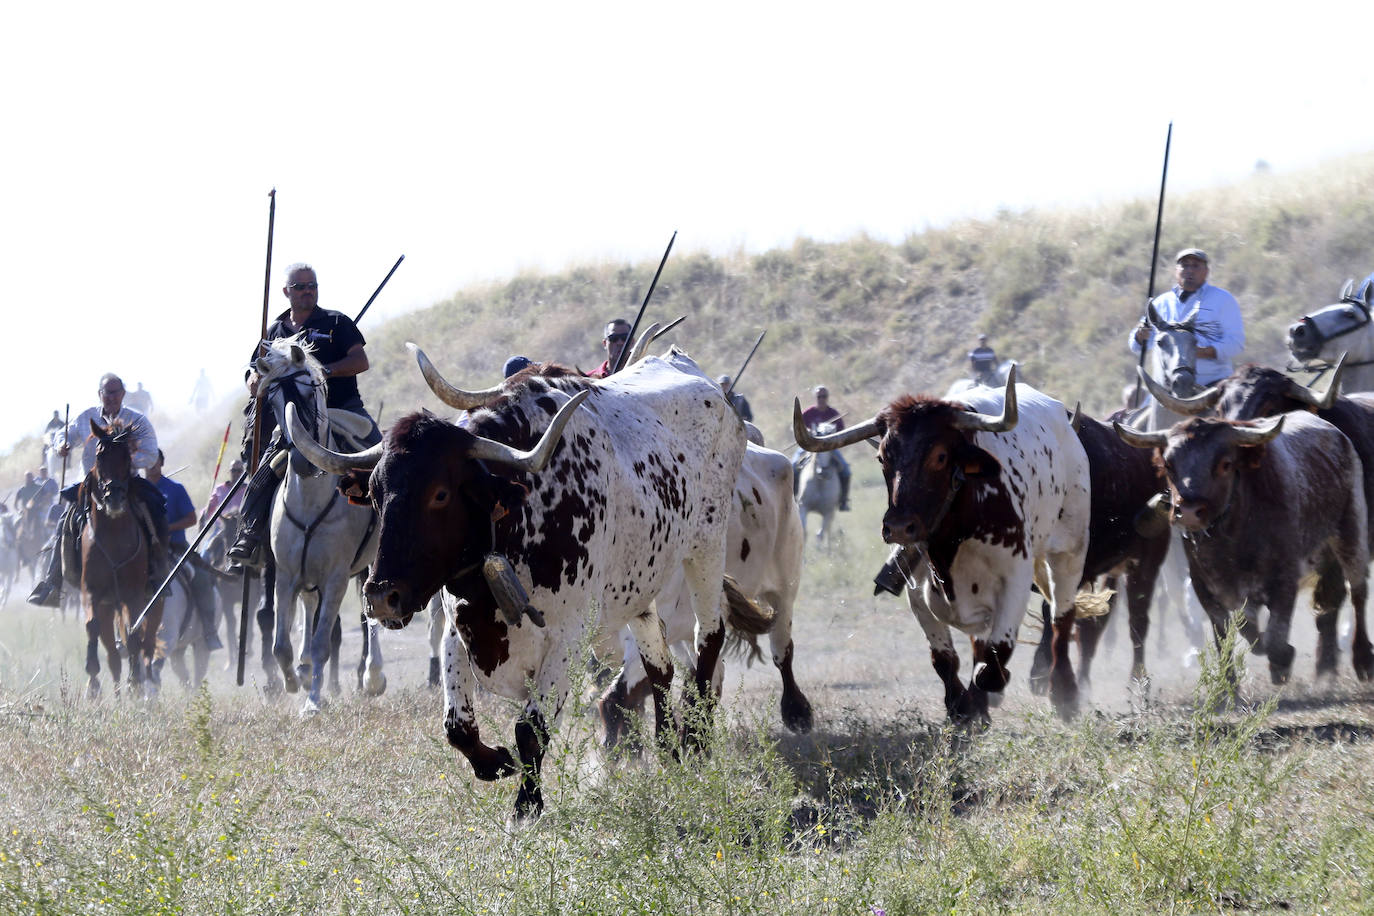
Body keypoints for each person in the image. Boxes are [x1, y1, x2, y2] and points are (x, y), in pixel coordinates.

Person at [228, 262, 381, 569]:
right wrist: (252, 380)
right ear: (287, 292)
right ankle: (251, 534)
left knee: (385, 460)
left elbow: (360, 360)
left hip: (343, 411)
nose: (308, 291)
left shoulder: (336, 322)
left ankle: (395, 529)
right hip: (294, 423)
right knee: (261, 474)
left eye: (312, 285)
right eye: (301, 287)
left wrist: (325, 370)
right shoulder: (274, 331)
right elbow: (252, 369)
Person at [28, 373, 164, 607]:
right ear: (99, 394)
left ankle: (158, 576)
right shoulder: (86, 418)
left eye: (115, 392)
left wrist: (124, 460)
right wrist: (61, 445)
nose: (111, 397)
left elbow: (151, 453)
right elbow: (63, 434)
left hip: (127, 484)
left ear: (123, 394)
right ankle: (52, 583)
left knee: (157, 509)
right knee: (64, 521)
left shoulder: (137, 420)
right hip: (90, 486)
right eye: (106, 393)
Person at [1130, 248, 1245, 387]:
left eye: (1196, 266)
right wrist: (1140, 336)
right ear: (1176, 270)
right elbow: (1136, 345)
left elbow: (1236, 342)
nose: (1190, 270)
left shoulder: (1223, 299)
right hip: (1167, 389)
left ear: (1206, 271)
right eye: (1184, 265)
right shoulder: (1160, 303)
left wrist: (1201, 352)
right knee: (1135, 408)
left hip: (1213, 385)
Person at [147, 450, 222, 650]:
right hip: (144, 550)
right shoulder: (137, 490)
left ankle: (209, 630)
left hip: (175, 548)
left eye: (156, 460)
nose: (152, 464)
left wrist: (167, 529)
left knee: (201, 578)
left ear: (162, 462)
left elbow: (191, 518)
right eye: (148, 460)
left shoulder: (175, 490)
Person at [793, 386, 851, 511]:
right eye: (819, 396)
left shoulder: (833, 414)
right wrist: (808, 432)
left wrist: (832, 435)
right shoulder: (808, 413)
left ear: (827, 398)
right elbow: (797, 428)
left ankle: (843, 501)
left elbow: (842, 432)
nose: (821, 399)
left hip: (829, 448)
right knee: (793, 466)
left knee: (846, 470)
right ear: (815, 398)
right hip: (809, 447)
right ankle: (793, 499)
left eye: (824, 396)